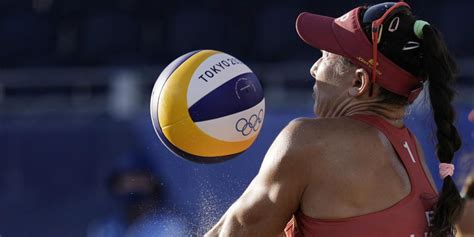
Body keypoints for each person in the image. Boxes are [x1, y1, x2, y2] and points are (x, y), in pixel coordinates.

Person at [206, 2, 463, 237]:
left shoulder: (309, 142)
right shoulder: (411, 150)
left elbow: (235, 233)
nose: (313, 68)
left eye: (326, 56)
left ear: (358, 82)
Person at [87, 152, 188, 237]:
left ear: (153, 183)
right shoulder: (105, 229)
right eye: (123, 183)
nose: (130, 187)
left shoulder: (169, 226)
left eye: (137, 180)